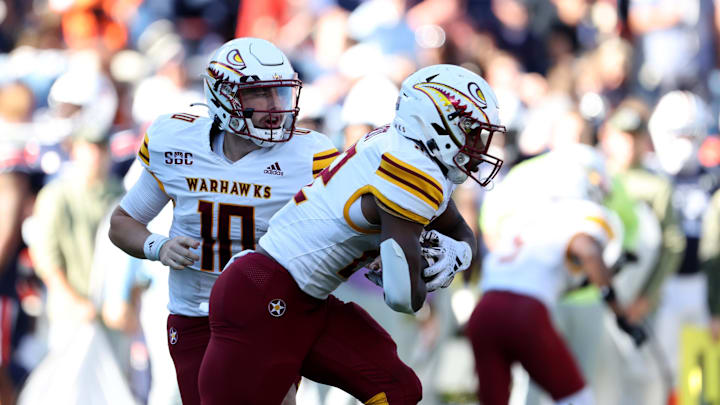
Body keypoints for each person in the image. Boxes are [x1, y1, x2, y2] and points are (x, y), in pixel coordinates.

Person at [197, 64, 504, 404]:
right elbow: (404, 297)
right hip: (263, 292)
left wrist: (454, 256)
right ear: (431, 120)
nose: (478, 144)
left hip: (305, 300)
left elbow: (461, 233)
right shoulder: (409, 164)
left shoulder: (414, 153)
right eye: (470, 130)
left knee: (399, 389)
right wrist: (426, 271)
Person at [108, 37, 340, 405]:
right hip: (195, 314)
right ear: (222, 95)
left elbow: (347, 225)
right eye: (259, 94)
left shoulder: (309, 155)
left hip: (270, 313)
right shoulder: (177, 142)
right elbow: (122, 223)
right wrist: (159, 246)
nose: (274, 107)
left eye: (280, 93)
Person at [466, 172, 647, 405]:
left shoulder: (527, 215)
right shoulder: (582, 214)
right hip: (523, 312)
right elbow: (588, 251)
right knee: (578, 399)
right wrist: (619, 313)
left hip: (484, 312)